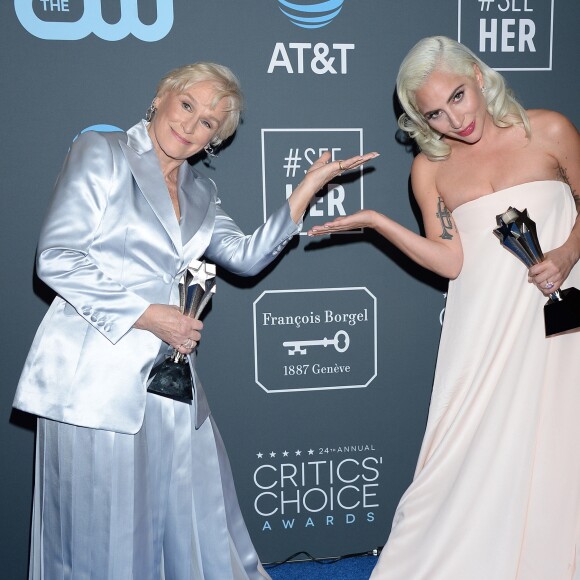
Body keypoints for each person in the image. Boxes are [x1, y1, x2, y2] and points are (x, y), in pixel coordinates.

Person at [13, 62, 378, 580]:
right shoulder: (103, 151)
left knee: (176, 519)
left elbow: (247, 257)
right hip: (93, 373)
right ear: (162, 98)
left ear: (215, 140)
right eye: (187, 105)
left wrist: (306, 188)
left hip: (165, 378)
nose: (191, 124)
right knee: (99, 532)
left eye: (209, 122)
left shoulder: (201, 193)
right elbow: (57, 256)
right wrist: (147, 315)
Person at [310, 36, 580, 579]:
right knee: (458, 450)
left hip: (560, 314)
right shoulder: (429, 169)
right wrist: (377, 223)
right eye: (434, 112)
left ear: (478, 77)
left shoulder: (548, 129)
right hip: (482, 328)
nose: (453, 119)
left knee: (560, 442)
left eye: (458, 96)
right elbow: (451, 261)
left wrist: (568, 253)